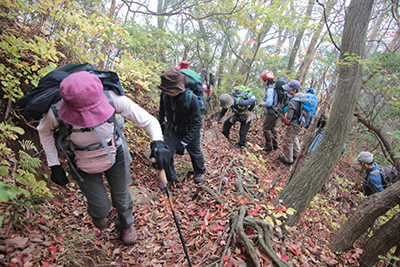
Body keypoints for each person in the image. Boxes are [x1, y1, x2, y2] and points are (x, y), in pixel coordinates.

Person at [37, 71, 171, 246]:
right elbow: (44, 132)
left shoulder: (113, 99)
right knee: (100, 206)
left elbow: (148, 121)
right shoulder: (55, 112)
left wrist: (158, 143)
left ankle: (126, 224)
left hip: (114, 151)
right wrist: (54, 164)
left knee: (122, 196)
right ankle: (98, 212)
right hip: (80, 158)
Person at [158, 66, 206, 189]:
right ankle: (170, 177)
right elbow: (162, 111)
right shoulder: (165, 95)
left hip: (190, 128)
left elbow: (197, 124)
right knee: (166, 153)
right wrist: (161, 124)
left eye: (170, 90)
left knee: (195, 152)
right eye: (166, 89)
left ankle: (200, 170)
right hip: (172, 127)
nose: (168, 92)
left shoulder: (192, 98)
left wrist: (184, 142)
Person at [277, 80, 302, 165]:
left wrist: (286, 114)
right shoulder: (302, 97)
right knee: (294, 138)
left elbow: (289, 117)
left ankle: (288, 159)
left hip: (294, 124)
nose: (287, 90)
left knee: (288, 141)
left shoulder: (293, 102)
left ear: (294, 90)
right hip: (300, 123)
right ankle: (297, 155)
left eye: (289, 89)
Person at [258, 71, 279, 152]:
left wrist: (261, 104)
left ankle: (268, 146)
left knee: (265, 128)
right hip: (277, 111)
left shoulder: (270, 90)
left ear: (266, 81)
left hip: (271, 112)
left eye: (263, 81)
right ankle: (275, 145)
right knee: (273, 128)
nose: (263, 82)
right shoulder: (275, 88)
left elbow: (269, 103)